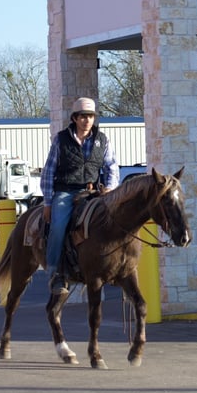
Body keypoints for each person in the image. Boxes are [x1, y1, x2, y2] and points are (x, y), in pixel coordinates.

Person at [41, 97, 120, 294]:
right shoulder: (61, 139)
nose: (87, 120)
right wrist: (48, 203)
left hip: (94, 192)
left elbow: (111, 167)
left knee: (116, 220)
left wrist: (110, 188)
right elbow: (49, 172)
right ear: (75, 118)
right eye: (83, 116)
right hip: (66, 192)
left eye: (91, 116)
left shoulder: (102, 140)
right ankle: (56, 272)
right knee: (58, 226)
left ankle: (116, 265)